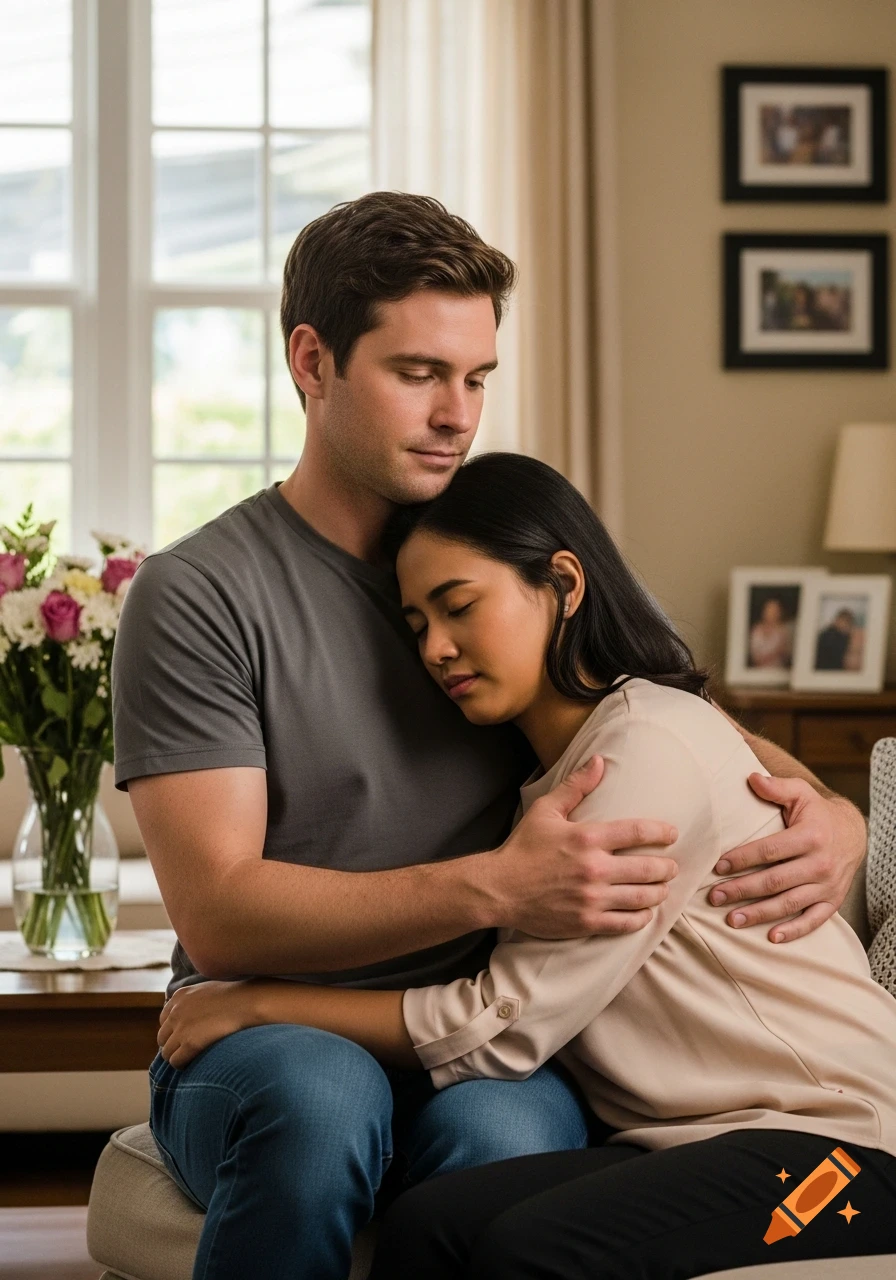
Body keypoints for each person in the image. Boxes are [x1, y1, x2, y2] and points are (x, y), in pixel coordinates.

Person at [113, 192, 866, 1280]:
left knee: (506, 1136)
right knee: (324, 1106)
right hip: (268, 1032)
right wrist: (495, 888)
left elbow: (677, 718)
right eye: (418, 373)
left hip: (499, 1032)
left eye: (475, 378)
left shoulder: (501, 557)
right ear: (312, 362)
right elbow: (221, 917)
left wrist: (836, 816)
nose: (454, 414)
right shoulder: (199, 592)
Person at [157, 453, 896, 1280]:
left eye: (459, 606)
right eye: (417, 625)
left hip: (841, 1149)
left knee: (524, 1250)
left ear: (564, 585)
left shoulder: (645, 749)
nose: (438, 648)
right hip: (687, 1144)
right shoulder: (554, 783)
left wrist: (255, 1003)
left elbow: (501, 1027)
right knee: (433, 1224)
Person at [748, 595, 794, 669]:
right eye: (769, 609)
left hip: (776, 670)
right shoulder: (756, 629)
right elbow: (754, 656)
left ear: (780, 612)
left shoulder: (784, 631)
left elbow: (785, 654)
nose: (772, 613)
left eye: (775, 610)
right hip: (757, 670)